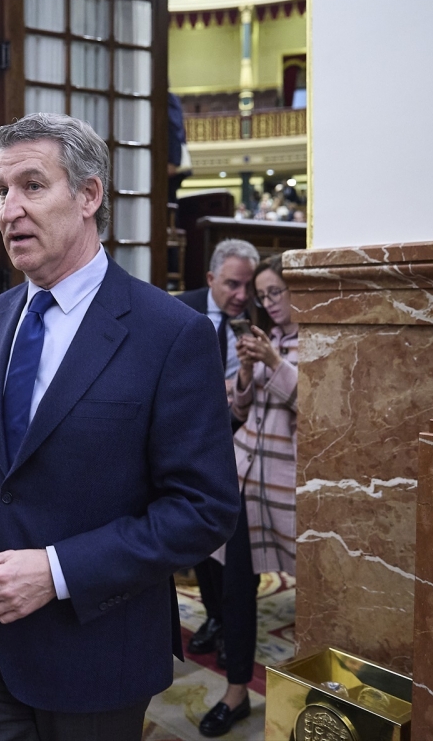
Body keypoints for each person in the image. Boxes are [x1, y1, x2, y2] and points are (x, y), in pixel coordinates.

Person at [0, 113, 239, 740]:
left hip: (95, 659)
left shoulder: (170, 333)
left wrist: (55, 570)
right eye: (1, 190)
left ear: (89, 195)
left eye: (32, 185)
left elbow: (203, 509)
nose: (10, 209)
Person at [199, 255, 299, 738]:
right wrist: (244, 373)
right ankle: (236, 692)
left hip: (288, 488)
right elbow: (239, 408)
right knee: (237, 591)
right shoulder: (268, 340)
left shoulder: (320, 340)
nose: (268, 303)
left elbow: (315, 401)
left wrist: (275, 364)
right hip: (243, 483)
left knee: (314, 592)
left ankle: (316, 695)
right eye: (264, 296)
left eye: (276, 292)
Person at [175, 237, 259, 658]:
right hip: (189, 439)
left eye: (248, 286)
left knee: (234, 544)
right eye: (231, 285)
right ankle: (212, 616)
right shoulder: (177, 309)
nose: (241, 296)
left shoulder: (258, 319)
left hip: (240, 440)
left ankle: (231, 625)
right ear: (211, 279)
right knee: (200, 536)